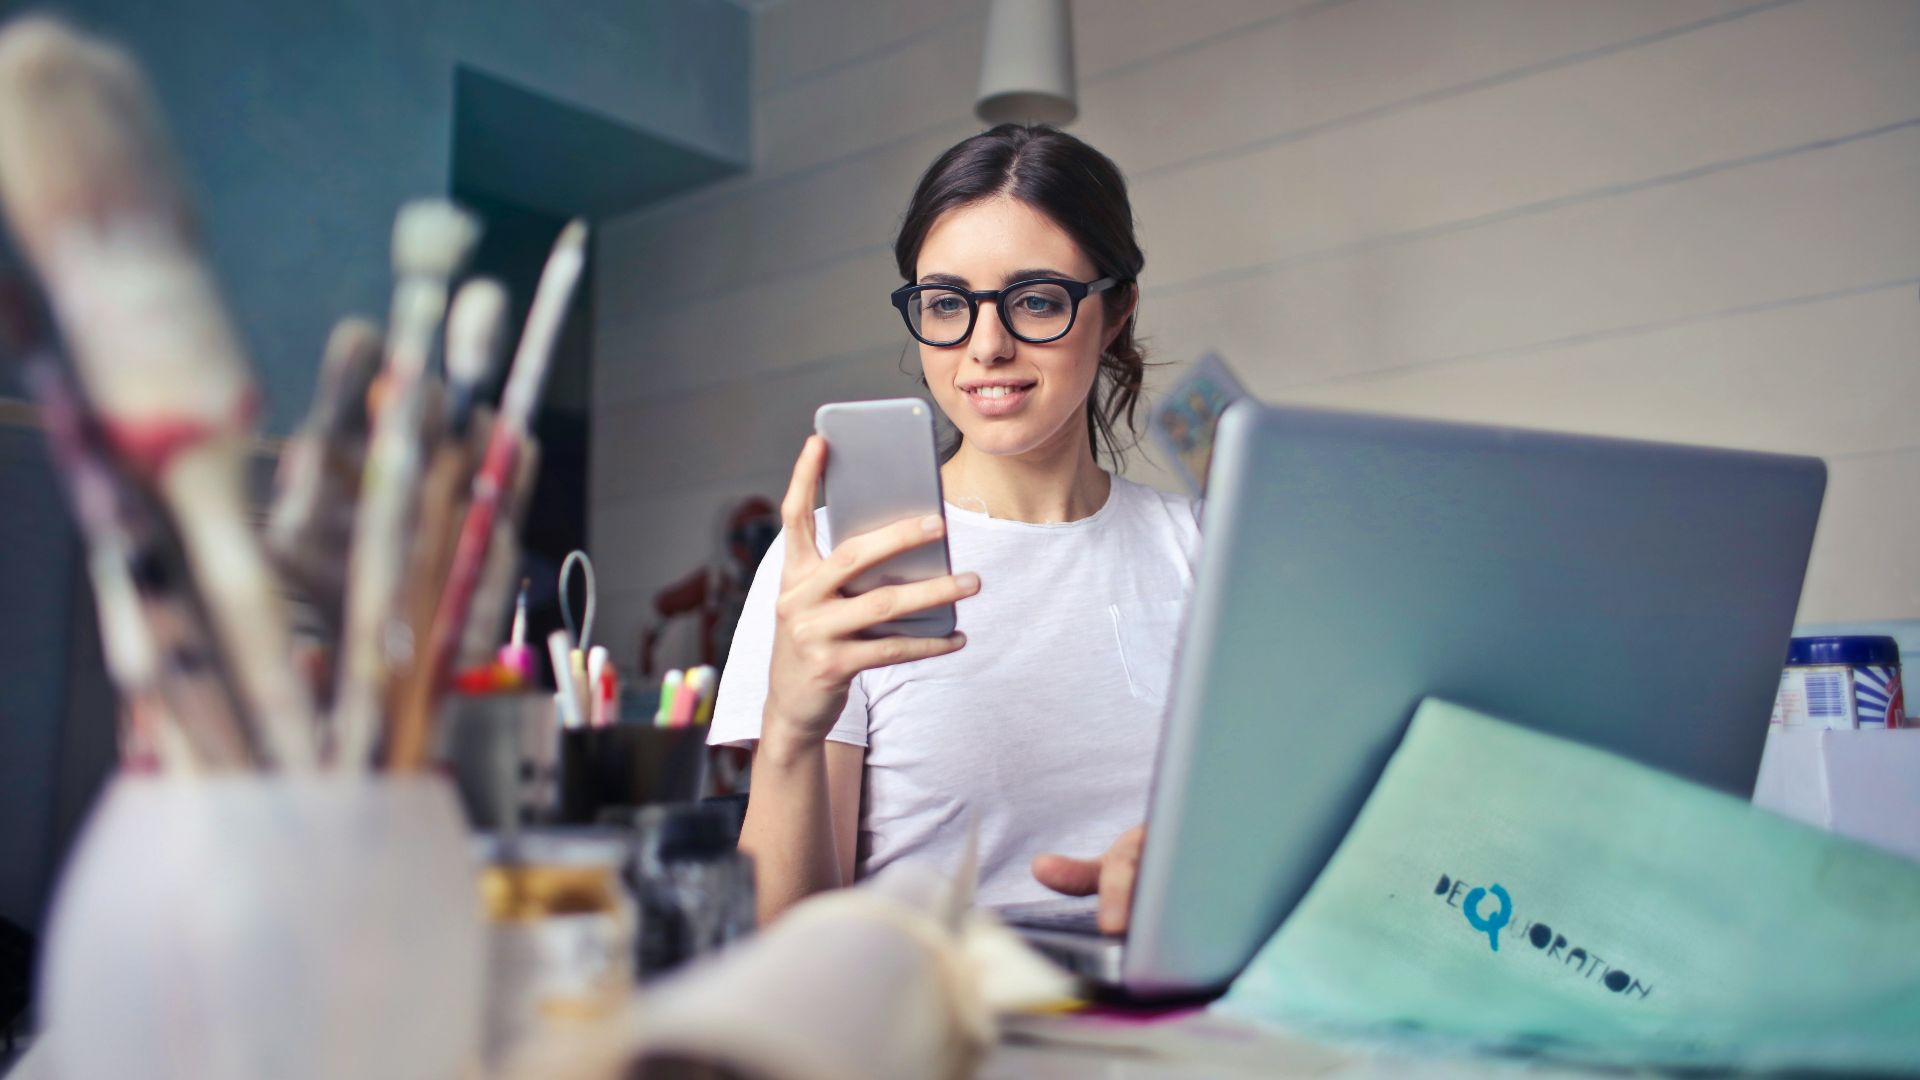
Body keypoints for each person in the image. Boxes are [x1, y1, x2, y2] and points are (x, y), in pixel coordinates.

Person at [709, 125, 1200, 933]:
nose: (986, 346)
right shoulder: (838, 564)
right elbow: (785, 943)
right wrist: (792, 728)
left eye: (1036, 300)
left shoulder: (1205, 551)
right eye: (946, 304)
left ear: (1115, 312)